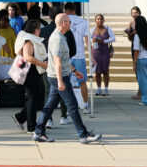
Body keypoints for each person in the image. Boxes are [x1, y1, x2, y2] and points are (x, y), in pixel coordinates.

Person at [31, 13, 101, 144]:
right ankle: (83, 135)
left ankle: (38, 132)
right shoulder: (57, 39)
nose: (70, 24)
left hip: (59, 75)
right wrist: (60, 81)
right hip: (59, 76)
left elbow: (64, 59)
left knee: (50, 105)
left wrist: (74, 71)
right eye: (68, 22)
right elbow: (57, 61)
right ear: (63, 23)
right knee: (72, 105)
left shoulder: (61, 37)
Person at [12, 17, 49, 134]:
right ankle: (31, 126)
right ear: (34, 30)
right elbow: (28, 57)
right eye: (38, 29)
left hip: (34, 72)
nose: (40, 31)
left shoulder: (29, 39)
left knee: (36, 97)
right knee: (33, 98)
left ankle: (20, 117)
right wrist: (42, 63)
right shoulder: (28, 41)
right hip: (30, 72)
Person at [63, 2, 90, 112]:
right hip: (79, 54)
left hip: (66, 55)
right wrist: (91, 56)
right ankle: (85, 104)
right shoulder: (84, 22)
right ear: (75, 9)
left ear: (67, 10)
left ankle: (67, 107)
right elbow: (87, 41)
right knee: (82, 81)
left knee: (65, 81)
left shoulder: (63, 21)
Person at [91, 14, 115, 96]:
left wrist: (104, 41)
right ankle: (98, 89)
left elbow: (113, 38)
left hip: (105, 52)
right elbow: (88, 40)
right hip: (96, 52)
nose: (99, 20)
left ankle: (106, 89)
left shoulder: (107, 28)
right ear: (95, 20)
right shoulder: (92, 29)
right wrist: (93, 40)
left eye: (101, 19)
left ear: (103, 20)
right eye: (98, 19)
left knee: (105, 71)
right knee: (97, 72)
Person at [125, 6, 142, 99]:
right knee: (136, 70)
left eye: (136, 12)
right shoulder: (131, 23)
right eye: (133, 12)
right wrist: (129, 34)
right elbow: (130, 39)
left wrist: (135, 33)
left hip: (142, 47)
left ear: (139, 13)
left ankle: (141, 91)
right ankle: (140, 89)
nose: (134, 14)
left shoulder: (142, 22)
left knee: (141, 69)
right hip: (134, 45)